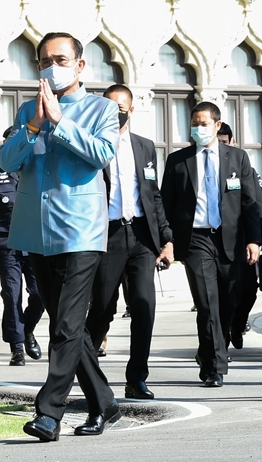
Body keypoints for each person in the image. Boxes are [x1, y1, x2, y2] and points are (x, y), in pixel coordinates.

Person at [0, 32, 121, 442]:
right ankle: (104, 402)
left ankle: (49, 413)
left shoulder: (102, 109)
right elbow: (8, 160)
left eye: (61, 59)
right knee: (66, 326)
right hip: (36, 230)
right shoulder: (26, 112)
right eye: (45, 61)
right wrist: (33, 125)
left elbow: (102, 154)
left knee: (66, 326)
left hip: (81, 229)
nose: (53, 66)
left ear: (80, 65)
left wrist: (60, 122)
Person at [161, 101, 261, 387]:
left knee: (228, 303)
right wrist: (167, 241)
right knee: (207, 304)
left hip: (230, 239)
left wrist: (254, 239)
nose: (199, 128)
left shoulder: (237, 158)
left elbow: (250, 202)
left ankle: (209, 352)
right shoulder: (178, 161)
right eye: (195, 123)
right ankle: (215, 366)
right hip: (195, 239)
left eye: (204, 123)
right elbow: (166, 204)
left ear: (217, 126)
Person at [85, 84, 174, 400]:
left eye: (122, 106)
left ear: (131, 109)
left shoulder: (145, 147)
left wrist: (166, 239)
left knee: (144, 305)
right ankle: (86, 369)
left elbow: (154, 196)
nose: (117, 111)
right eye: (110, 105)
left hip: (141, 236)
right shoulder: (93, 145)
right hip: (107, 236)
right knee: (103, 309)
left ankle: (137, 377)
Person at [0, 127, 45, 367]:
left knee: (40, 294)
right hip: (7, 242)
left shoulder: (37, 168)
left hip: (36, 242)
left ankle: (27, 330)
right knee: (11, 295)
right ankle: (17, 348)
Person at [217, 123, 262, 349]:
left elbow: (256, 203)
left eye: (224, 142)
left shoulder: (242, 164)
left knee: (249, 290)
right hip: (216, 240)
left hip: (243, 239)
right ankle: (221, 343)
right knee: (223, 294)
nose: (221, 146)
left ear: (232, 142)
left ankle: (238, 325)